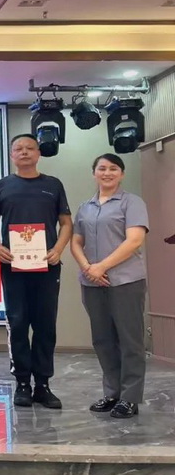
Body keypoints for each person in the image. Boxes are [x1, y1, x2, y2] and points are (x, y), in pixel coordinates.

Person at [0, 134, 72, 409]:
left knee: (45, 324)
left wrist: (58, 249)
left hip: (47, 265)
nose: (24, 152)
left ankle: (43, 385)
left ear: (38, 153)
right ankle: (22, 383)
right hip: (13, 266)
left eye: (29, 148)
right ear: (12, 155)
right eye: (18, 149)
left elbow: (66, 223)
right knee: (18, 322)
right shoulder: (2, 186)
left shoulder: (53, 185)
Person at [71, 154, 148, 419]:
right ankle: (112, 392)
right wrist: (88, 268)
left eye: (113, 168)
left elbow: (134, 240)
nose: (107, 173)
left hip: (125, 281)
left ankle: (130, 398)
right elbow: (76, 242)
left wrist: (101, 266)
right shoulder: (85, 207)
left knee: (130, 341)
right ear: (94, 173)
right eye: (102, 168)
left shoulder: (132, 203)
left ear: (122, 174)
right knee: (103, 340)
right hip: (92, 282)